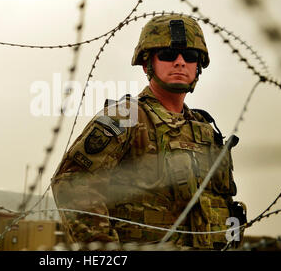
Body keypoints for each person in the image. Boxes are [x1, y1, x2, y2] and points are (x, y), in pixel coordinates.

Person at [51, 14, 247, 250]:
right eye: (167, 55)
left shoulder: (205, 130)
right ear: (147, 64)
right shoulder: (126, 117)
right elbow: (72, 183)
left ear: (199, 66)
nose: (180, 62)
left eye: (190, 56)